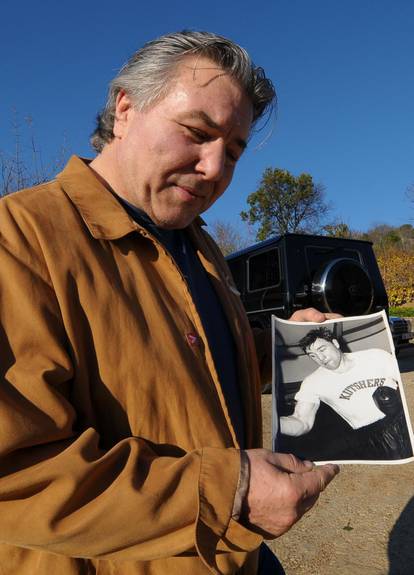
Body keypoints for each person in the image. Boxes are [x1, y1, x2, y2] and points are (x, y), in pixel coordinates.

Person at [0, 31, 339, 575]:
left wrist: (286, 348)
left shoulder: (200, 246)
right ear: (126, 109)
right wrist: (230, 493)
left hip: (233, 556)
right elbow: (13, 474)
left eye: (232, 150)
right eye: (197, 133)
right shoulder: (19, 239)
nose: (214, 168)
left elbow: (190, 368)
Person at [280, 326, 412, 460]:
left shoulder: (376, 356)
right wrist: (276, 424)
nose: (320, 358)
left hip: (405, 420)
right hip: (373, 438)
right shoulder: (313, 382)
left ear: (335, 343)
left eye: (322, 349)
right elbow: (302, 422)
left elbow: (407, 384)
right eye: (313, 356)